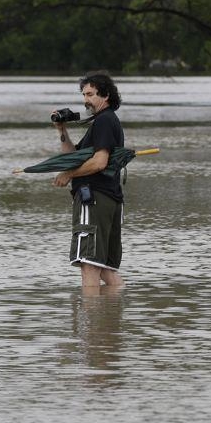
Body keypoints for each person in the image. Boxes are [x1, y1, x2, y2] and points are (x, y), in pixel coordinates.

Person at [52, 72, 126, 290]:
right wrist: (62, 130)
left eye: (91, 94)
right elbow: (71, 156)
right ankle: (113, 315)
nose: (86, 100)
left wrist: (69, 175)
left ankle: (92, 320)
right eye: (84, 94)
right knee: (104, 267)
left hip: (94, 198)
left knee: (89, 264)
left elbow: (100, 162)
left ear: (105, 95)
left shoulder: (104, 120)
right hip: (109, 198)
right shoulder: (104, 121)